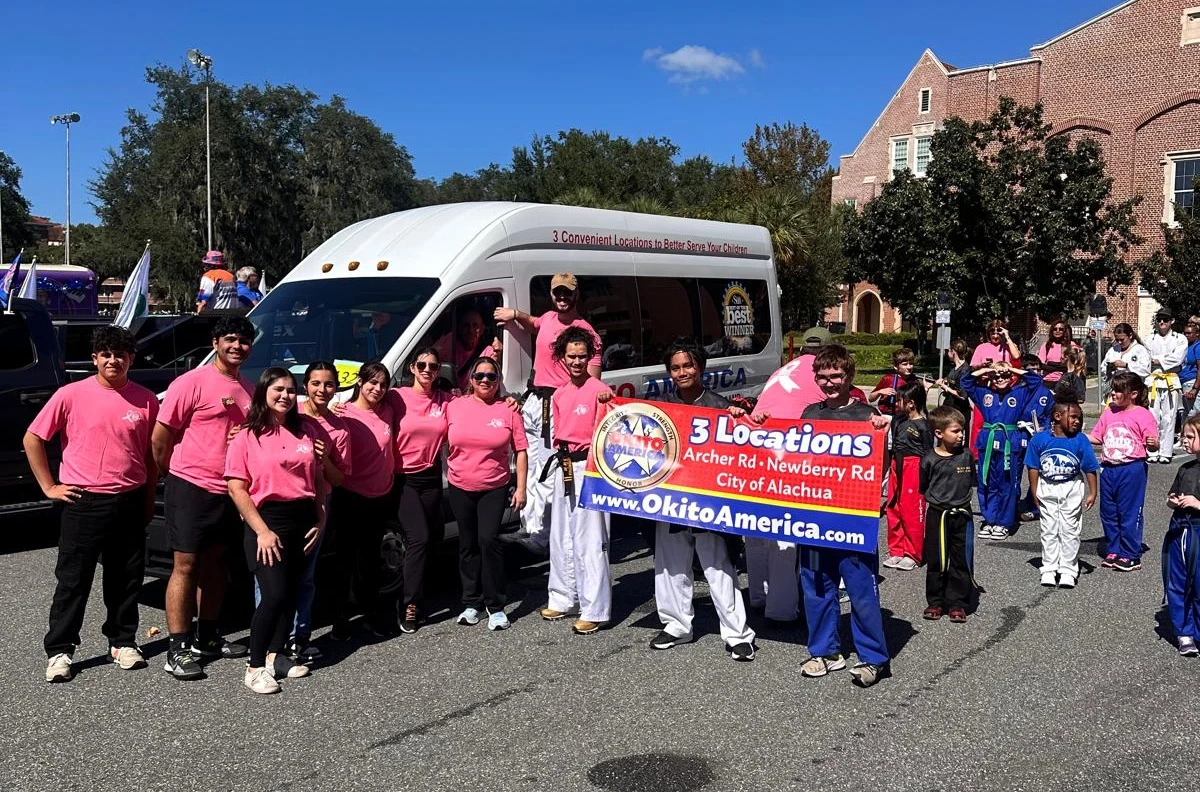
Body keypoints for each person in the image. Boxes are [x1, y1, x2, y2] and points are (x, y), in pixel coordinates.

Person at [25, 326, 158, 683]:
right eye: (107, 354)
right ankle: (60, 650)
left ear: (131, 358)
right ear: (95, 359)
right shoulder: (71, 395)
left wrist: (147, 500)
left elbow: (148, 455)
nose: (114, 360)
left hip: (129, 499)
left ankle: (122, 641)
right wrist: (50, 486)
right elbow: (33, 438)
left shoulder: (146, 399)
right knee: (73, 580)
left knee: (126, 577)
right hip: (84, 500)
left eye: (121, 354)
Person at [152, 316, 255, 680]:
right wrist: (173, 472)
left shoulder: (249, 388)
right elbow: (161, 437)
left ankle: (207, 637)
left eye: (243, 341)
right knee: (186, 565)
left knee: (217, 566)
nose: (237, 347)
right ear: (215, 342)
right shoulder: (191, 383)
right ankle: (177, 647)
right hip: (191, 486)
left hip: (229, 489)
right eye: (230, 339)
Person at [642, 338, 756, 661]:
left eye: (688, 365)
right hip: (670, 498)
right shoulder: (663, 406)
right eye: (676, 367)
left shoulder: (719, 406)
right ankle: (677, 625)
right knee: (670, 565)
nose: (682, 372)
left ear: (701, 368)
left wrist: (739, 417)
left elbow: (745, 443)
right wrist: (608, 401)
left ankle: (737, 634)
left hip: (709, 501)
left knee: (718, 566)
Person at [226, 367, 326, 694]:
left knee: (292, 594)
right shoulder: (246, 436)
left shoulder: (305, 430)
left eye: (289, 390)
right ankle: (254, 666)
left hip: (303, 519)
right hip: (267, 521)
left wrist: (320, 518)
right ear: (264, 393)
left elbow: (318, 479)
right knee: (274, 595)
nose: (284, 395)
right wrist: (263, 532)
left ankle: (276, 656)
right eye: (277, 389)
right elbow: (237, 489)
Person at [797, 344, 890, 688]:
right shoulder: (809, 413)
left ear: (849, 376)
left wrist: (883, 432)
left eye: (836, 376)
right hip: (816, 514)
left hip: (853, 516)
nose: (829, 382)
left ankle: (873, 658)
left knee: (861, 588)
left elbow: (882, 465)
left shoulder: (868, 416)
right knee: (817, 585)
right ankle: (825, 651)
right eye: (823, 377)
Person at [493, 273, 601, 552]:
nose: (562, 298)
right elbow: (533, 324)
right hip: (534, 399)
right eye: (558, 293)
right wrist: (515, 313)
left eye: (567, 293)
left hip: (557, 404)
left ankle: (543, 535)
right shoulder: (549, 318)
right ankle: (529, 526)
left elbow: (591, 381)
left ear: (577, 295)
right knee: (527, 464)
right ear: (551, 295)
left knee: (547, 468)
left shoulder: (585, 332)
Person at [743, 336, 827, 623]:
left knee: (757, 529)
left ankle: (758, 595)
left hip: (757, 445)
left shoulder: (785, 369)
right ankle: (781, 609)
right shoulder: (820, 373)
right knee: (784, 534)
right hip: (787, 452)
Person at [539, 327, 613, 635]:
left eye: (583, 356)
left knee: (590, 538)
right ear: (562, 358)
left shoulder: (600, 390)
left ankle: (594, 607)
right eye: (572, 356)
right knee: (561, 534)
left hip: (590, 467)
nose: (577, 362)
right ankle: (562, 595)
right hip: (564, 464)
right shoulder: (559, 394)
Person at [446, 356, 528, 631]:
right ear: (470, 380)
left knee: (488, 540)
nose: (485, 381)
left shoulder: (508, 409)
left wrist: (521, 487)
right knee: (467, 544)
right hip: (460, 485)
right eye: (479, 376)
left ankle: (496, 606)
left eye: (491, 377)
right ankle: (471, 603)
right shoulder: (454, 406)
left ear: (498, 381)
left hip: (495, 485)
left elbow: (521, 450)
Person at [388, 347, 455, 633]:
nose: (428, 370)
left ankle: (417, 590)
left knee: (434, 537)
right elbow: (364, 403)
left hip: (430, 477)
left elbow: (477, 404)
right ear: (412, 368)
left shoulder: (446, 400)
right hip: (403, 479)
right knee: (419, 537)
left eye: (434, 366)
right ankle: (409, 603)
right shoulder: (396, 397)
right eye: (422, 365)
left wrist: (509, 404)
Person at [291, 361, 352, 660]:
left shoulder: (340, 427)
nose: (322, 390)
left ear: (336, 388)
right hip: (285, 503)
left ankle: (300, 636)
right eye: (316, 383)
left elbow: (340, 478)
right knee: (276, 575)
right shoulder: (290, 413)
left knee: (305, 575)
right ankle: (275, 637)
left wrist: (325, 459)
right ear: (306, 386)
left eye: (328, 384)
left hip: (318, 505)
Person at [330, 362, 396, 637]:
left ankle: (370, 615)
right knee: (345, 561)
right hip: (351, 495)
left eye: (382, 384)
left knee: (370, 560)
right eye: (372, 382)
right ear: (359, 382)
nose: (377, 389)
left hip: (380, 495)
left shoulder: (388, 411)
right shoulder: (342, 412)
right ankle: (341, 620)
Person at [959, 360, 1048, 540]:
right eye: (996, 376)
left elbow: (1035, 381)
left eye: (1005, 375)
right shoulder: (984, 393)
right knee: (986, 481)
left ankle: (1003, 522)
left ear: (1012, 377)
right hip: (988, 441)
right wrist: (986, 369)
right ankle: (990, 519)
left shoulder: (1020, 392)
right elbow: (965, 382)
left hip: (1009, 442)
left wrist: (1012, 369)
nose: (1001, 378)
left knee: (1006, 483)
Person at [1088, 371, 1159, 572]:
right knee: (1108, 512)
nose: (1114, 394)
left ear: (1133, 394)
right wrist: (1077, 436)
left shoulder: (1142, 414)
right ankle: (1114, 548)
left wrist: (1153, 444)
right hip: (1109, 468)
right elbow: (1097, 437)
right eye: (1113, 389)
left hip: (1131, 468)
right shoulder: (1109, 412)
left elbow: (1152, 444)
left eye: (1119, 390)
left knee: (1129, 512)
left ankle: (1130, 553)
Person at [1025, 401, 1099, 589]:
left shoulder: (1080, 440)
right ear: (1057, 417)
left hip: (1071, 486)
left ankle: (1068, 569)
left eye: (1079, 418)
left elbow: (1090, 467)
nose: (1077, 421)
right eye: (1073, 417)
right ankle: (1049, 567)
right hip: (1047, 486)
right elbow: (1033, 467)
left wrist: (1093, 492)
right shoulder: (1039, 440)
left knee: (1070, 529)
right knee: (1049, 529)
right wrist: (1034, 491)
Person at [920, 406, 976, 623]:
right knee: (936, 559)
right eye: (955, 431)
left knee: (960, 559)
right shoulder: (929, 460)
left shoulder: (966, 456)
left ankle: (957, 603)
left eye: (962, 430)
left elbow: (971, 481)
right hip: (938, 514)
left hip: (962, 514)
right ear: (939, 434)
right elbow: (924, 486)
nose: (961, 434)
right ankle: (935, 602)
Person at [884, 381, 932, 571]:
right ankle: (896, 549)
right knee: (893, 506)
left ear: (911, 403)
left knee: (911, 510)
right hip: (897, 464)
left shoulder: (923, 425)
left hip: (914, 466)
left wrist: (928, 477)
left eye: (899, 401)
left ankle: (912, 552)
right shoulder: (897, 420)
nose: (896, 404)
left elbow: (929, 453)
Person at [1163, 413, 1200, 656]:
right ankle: (1184, 631)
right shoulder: (1185, 468)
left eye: (1190, 436)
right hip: (1180, 532)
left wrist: (1198, 503)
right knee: (1177, 582)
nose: (1184, 441)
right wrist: (1173, 501)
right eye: (1183, 436)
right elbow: (1170, 497)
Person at [1145, 310, 1188, 463]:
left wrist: (1157, 360)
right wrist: (1159, 360)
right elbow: (1146, 358)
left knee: (1169, 418)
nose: (1162, 322)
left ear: (1172, 321)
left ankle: (1166, 452)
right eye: (1160, 319)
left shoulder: (1180, 339)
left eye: (1165, 319)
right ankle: (1152, 450)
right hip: (1153, 381)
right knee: (1152, 417)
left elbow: (1177, 358)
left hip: (1171, 381)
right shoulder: (1150, 339)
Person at [435, 309, 500, 391]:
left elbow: (491, 378)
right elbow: (431, 358)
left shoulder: (489, 351)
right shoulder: (450, 342)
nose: (470, 330)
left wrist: (498, 354)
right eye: (466, 325)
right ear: (460, 328)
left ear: (482, 329)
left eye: (475, 325)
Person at [1101, 323, 1151, 398]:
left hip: (1133, 390)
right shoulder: (1113, 350)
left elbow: (1145, 370)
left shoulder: (1140, 350)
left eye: (1122, 339)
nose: (1119, 342)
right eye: (1117, 339)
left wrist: (1126, 365)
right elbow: (1103, 368)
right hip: (1116, 390)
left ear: (1130, 335)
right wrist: (1110, 367)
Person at [937, 339, 973, 438]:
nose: (947, 353)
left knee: (958, 439)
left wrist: (946, 388)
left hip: (960, 412)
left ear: (953, 352)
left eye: (949, 351)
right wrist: (945, 383)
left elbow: (962, 396)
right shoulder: (954, 369)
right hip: (949, 409)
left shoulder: (965, 370)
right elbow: (953, 385)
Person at [869, 347, 919, 416]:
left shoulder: (915, 380)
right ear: (896, 366)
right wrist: (880, 391)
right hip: (888, 415)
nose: (909, 367)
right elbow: (871, 399)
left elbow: (920, 401)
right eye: (905, 364)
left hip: (907, 415)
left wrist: (926, 388)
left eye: (911, 364)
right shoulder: (888, 379)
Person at [1037, 319, 1080, 386]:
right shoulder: (1046, 345)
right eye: (1055, 329)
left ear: (1064, 331)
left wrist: (1052, 366)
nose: (1057, 331)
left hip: (1065, 382)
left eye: (1060, 329)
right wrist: (1056, 367)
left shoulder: (1071, 345)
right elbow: (1040, 364)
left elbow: (1076, 363)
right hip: (1048, 381)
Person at [1180, 318, 1200, 422]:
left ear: (1197, 334)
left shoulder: (1198, 346)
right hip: (1183, 383)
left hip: (1191, 383)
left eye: (1189, 333)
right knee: (1186, 412)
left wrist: (1195, 388)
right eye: (1185, 333)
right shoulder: (1187, 346)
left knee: (1193, 414)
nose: (1186, 335)